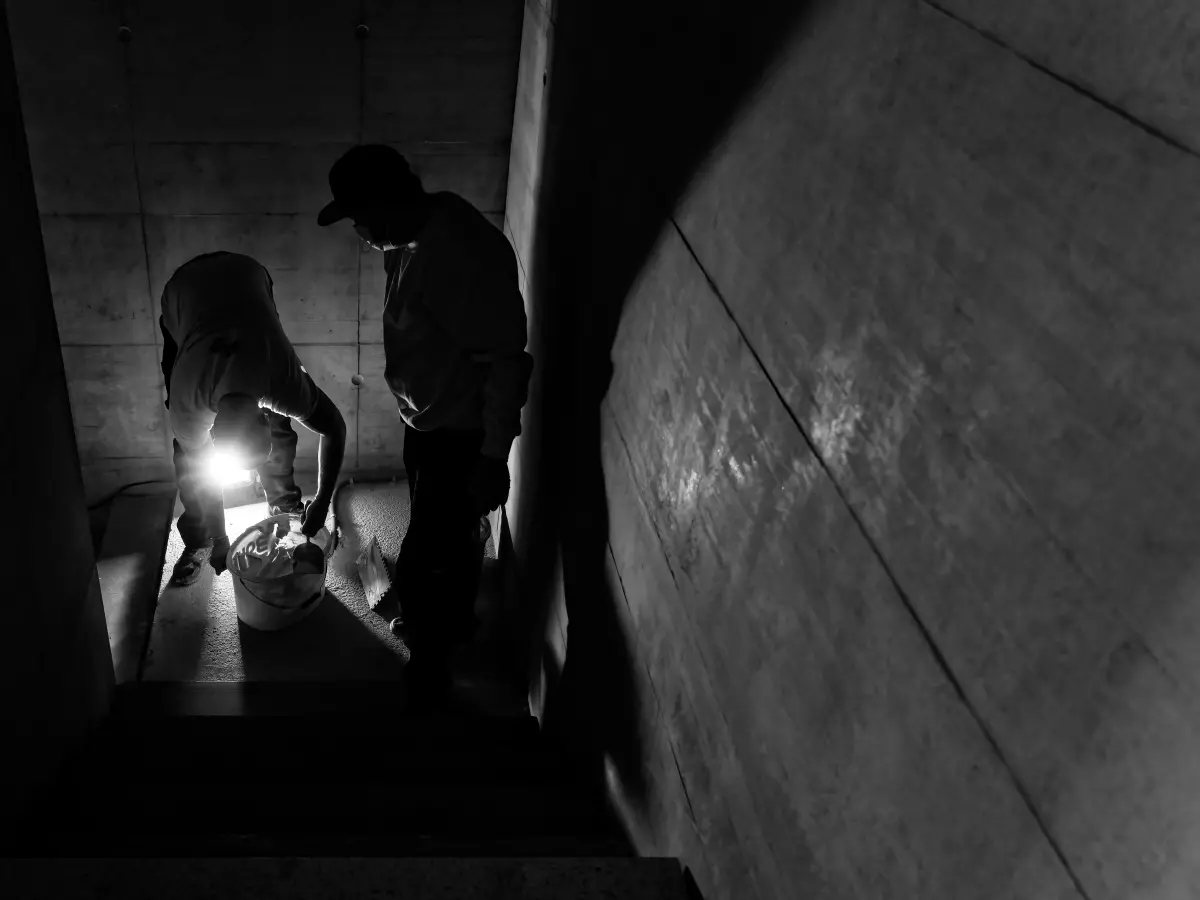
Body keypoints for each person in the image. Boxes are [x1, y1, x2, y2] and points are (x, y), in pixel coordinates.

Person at [317, 145, 533, 701]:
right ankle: (456, 622)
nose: (360, 234)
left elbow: (506, 362)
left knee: (424, 559)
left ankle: (432, 666)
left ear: (389, 202)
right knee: (445, 532)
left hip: (460, 436)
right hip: (427, 424)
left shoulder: (459, 254)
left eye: (361, 218)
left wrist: (490, 457)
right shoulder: (406, 238)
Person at [159, 251, 347, 587]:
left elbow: (334, 428)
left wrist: (321, 500)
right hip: (184, 294)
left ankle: (284, 507)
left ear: (267, 414)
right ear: (212, 434)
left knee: (279, 436)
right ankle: (199, 539)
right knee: (188, 463)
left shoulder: (283, 380)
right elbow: (200, 471)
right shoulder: (188, 406)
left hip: (247, 279)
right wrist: (219, 538)